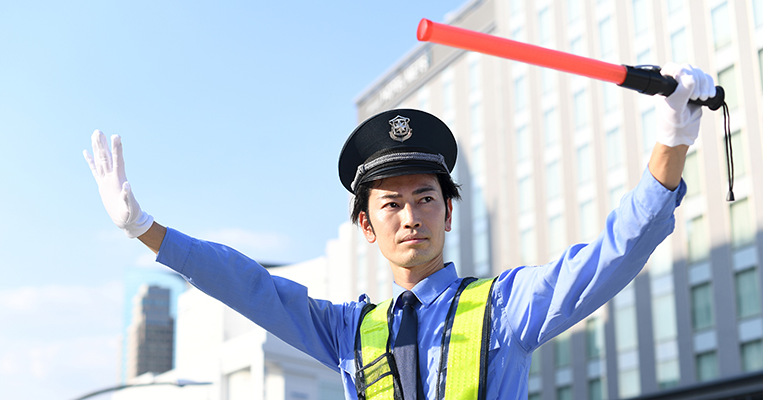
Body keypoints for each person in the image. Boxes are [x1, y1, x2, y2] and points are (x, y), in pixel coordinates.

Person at [84, 63, 715, 399]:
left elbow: (613, 253)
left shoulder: (505, 307)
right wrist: (147, 230)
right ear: (366, 226)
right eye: (390, 205)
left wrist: (671, 142)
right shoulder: (348, 332)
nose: (410, 215)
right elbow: (251, 287)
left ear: (448, 209)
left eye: (425, 197)